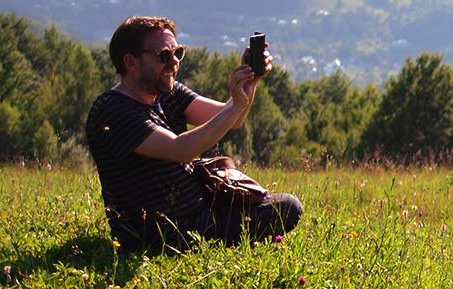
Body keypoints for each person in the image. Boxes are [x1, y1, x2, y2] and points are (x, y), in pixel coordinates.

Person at [84, 15, 302, 252]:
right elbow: (181, 149)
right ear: (131, 62)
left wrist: (250, 82)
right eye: (164, 56)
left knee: (280, 205)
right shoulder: (114, 111)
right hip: (162, 233)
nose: (173, 63)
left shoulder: (165, 91)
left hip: (198, 213)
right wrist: (237, 104)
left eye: (178, 53)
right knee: (287, 207)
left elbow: (231, 120)